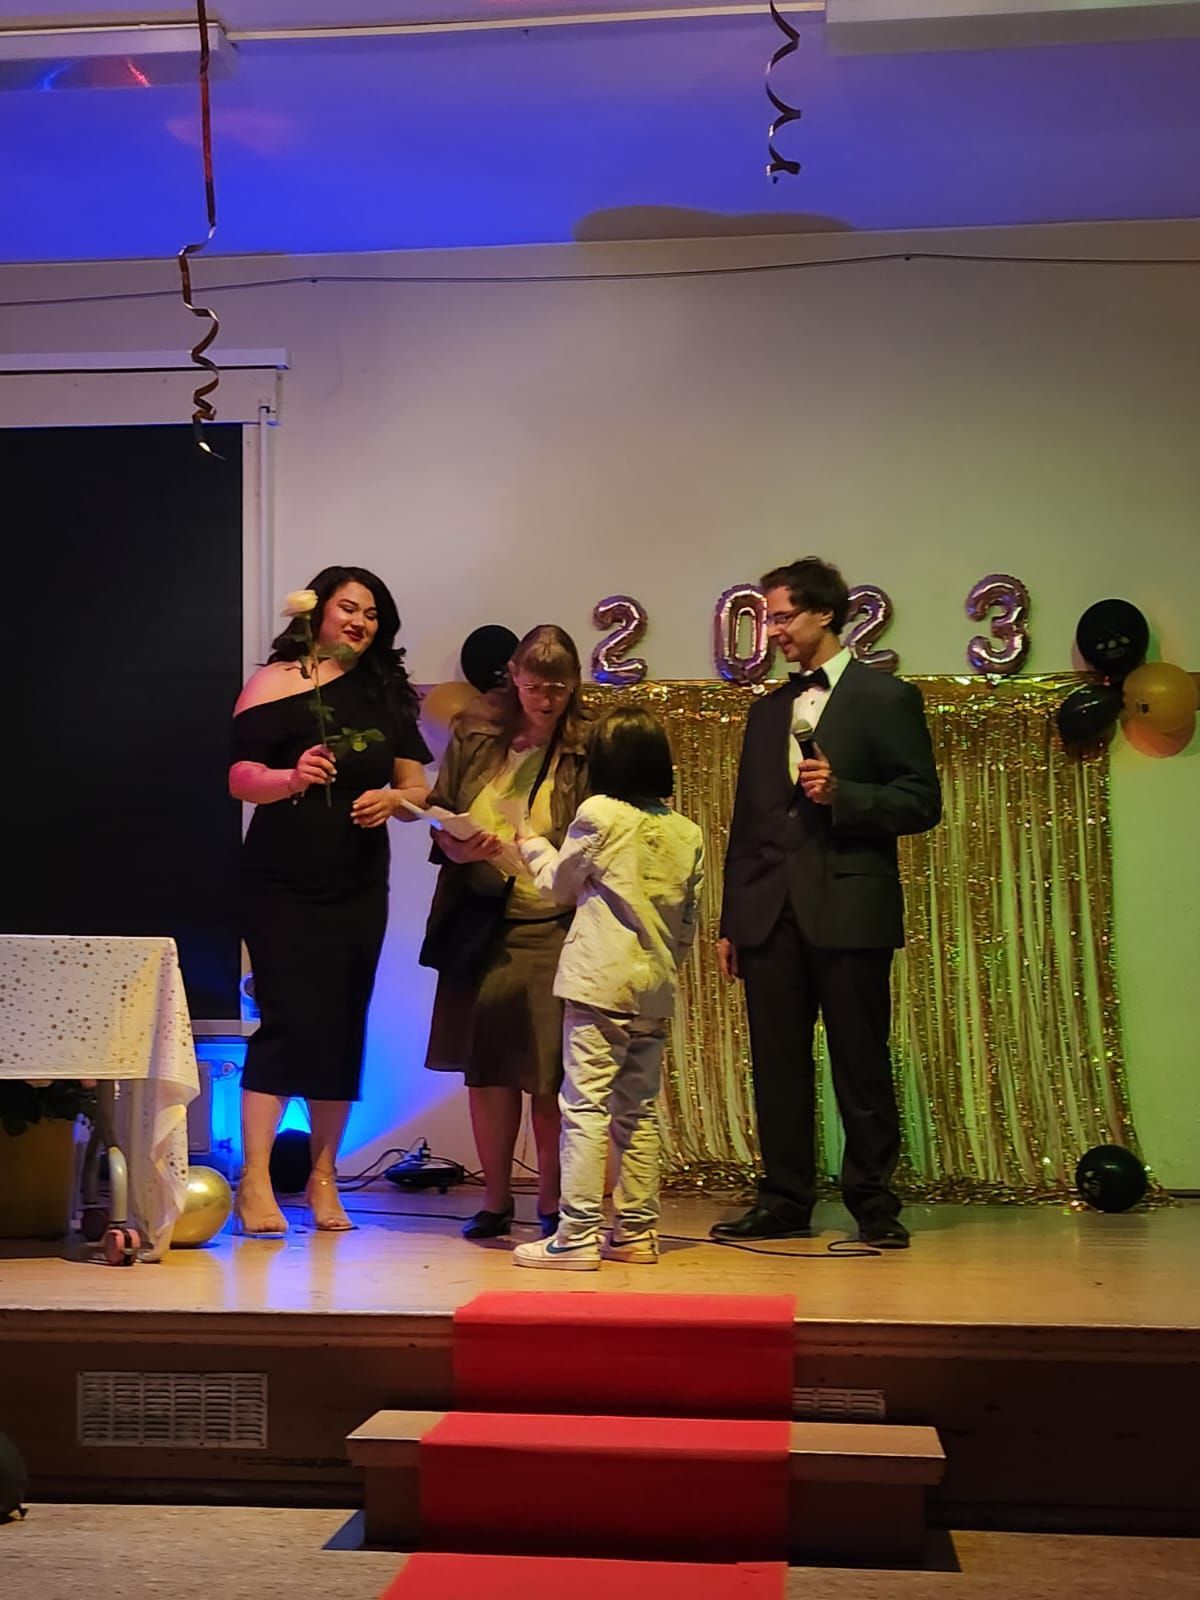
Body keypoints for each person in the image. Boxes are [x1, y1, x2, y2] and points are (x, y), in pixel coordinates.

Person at [713, 557, 941, 1250]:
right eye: (769, 618)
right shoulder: (765, 714)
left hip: (849, 907)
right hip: (768, 914)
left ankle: (873, 1202)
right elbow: (748, 824)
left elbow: (921, 801)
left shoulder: (886, 698)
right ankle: (784, 1199)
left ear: (824, 614)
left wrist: (848, 795)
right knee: (777, 1065)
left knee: (860, 1061)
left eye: (783, 616)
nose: (774, 631)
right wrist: (732, 921)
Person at [229, 565, 431, 1237]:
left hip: (358, 882)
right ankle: (256, 1180)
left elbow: (418, 787)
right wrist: (293, 776)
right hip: (281, 880)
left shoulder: (386, 693)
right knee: (287, 1019)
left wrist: (395, 799)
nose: (360, 621)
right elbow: (241, 778)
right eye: (349, 608)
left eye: (372, 613)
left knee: (342, 1022)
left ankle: (323, 1177)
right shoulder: (272, 682)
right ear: (317, 612)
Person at [510, 708, 704, 1271]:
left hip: (600, 982)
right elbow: (687, 922)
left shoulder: (599, 813)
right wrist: (661, 967)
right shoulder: (686, 831)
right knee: (637, 1111)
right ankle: (636, 1233)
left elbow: (558, 886)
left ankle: (575, 1235)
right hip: (653, 987)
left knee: (585, 1106)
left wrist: (531, 845)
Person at [420, 625, 590, 1241]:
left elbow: (601, 834)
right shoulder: (476, 732)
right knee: (486, 1068)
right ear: (514, 677)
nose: (546, 698)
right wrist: (454, 845)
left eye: (559, 687)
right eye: (536, 685)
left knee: (547, 1072)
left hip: (552, 921)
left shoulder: (585, 745)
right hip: (478, 917)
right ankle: (494, 1199)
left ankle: (551, 1198)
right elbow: (440, 810)